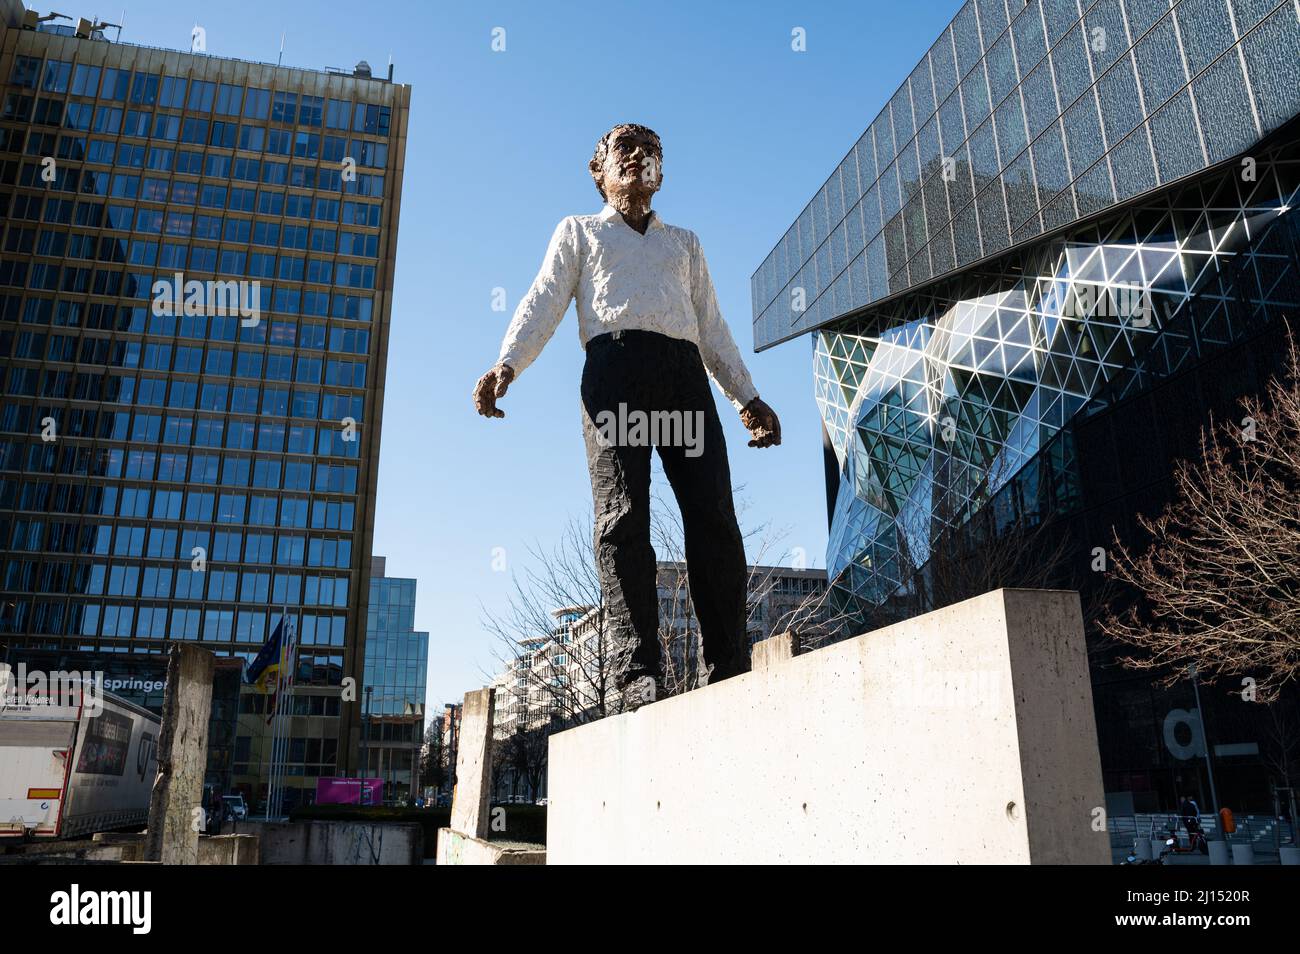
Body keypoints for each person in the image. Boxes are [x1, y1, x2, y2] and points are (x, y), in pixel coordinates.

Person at [473, 123, 781, 712]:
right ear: (600, 173)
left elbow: (712, 326)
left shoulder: (685, 244)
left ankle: (730, 665)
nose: (641, 159)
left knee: (713, 514)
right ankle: (635, 676)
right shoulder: (580, 233)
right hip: (616, 377)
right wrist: (506, 365)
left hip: (685, 380)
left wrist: (747, 396)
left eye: (653, 153)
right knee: (623, 519)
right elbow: (543, 299)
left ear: (663, 173)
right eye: (626, 151)